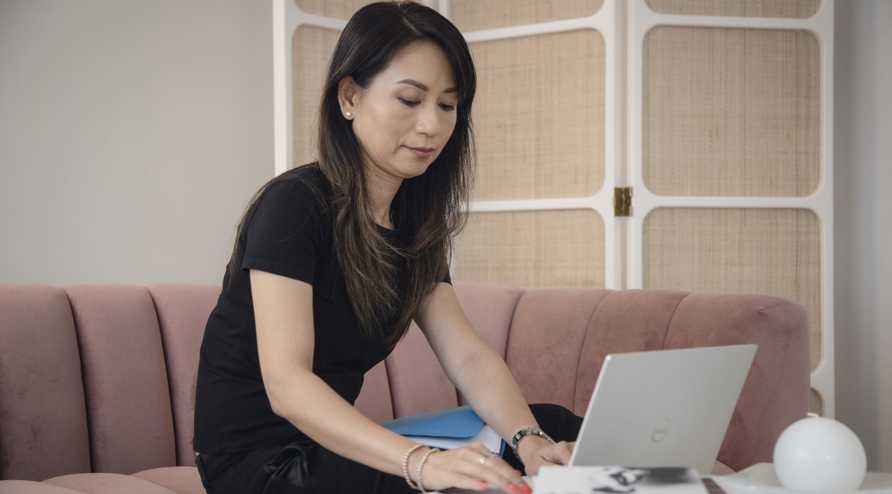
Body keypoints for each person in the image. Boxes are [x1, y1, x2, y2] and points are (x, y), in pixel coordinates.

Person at [192, 2, 583, 493]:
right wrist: (420, 462)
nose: (431, 126)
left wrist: (529, 440)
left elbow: (467, 356)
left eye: (447, 104)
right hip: (262, 466)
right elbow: (287, 386)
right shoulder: (293, 205)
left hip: (334, 449)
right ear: (350, 96)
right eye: (409, 100)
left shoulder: (413, 223)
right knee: (448, 483)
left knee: (557, 428)